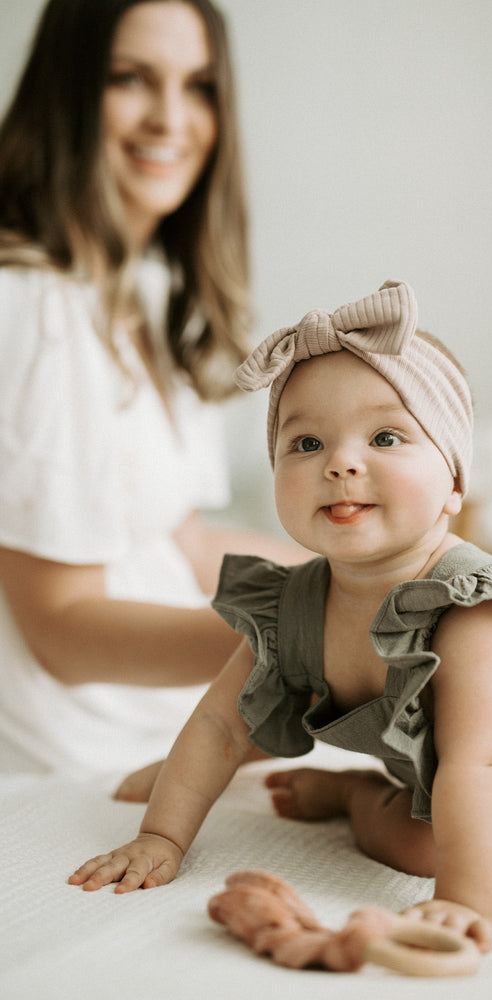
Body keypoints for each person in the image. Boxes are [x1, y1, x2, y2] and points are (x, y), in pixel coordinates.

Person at [69, 280, 492, 956]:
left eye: (385, 436)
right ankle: (322, 785)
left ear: (454, 481)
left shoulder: (468, 608)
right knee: (251, 715)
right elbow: (221, 722)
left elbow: (476, 770)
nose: (340, 462)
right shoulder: (292, 606)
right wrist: (162, 832)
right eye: (305, 443)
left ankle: (358, 798)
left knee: (419, 845)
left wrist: (461, 903)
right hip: (439, 766)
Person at [0, 0, 300, 783]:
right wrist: (312, 639)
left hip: (170, 718)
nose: (171, 117)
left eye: (199, 86)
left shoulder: (152, 294)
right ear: (65, 92)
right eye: (130, 79)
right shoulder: (28, 308)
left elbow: (183, 544)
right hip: (75, 766)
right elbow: (60, 632)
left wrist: (377, 579)